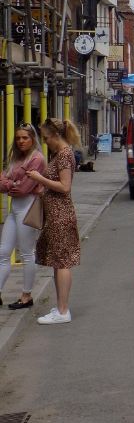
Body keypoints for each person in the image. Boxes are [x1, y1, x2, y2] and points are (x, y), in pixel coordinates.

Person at [26, 118, 81, 325]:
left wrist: (39, 179)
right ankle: (60, 307)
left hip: (61, 215)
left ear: (56, 136)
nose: (45, 142)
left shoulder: (65, 155)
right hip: (56, 214)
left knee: (62, 261)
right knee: (59, 261)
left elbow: (65, 187)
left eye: (47, 138)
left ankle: (63, 310)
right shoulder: (60, 154)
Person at [0, 123, 46, 310]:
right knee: (3, 253)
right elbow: (4, 181)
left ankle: (26, 296)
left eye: (25, 138)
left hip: (28, 208)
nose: (20, 141)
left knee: (27, 253)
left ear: (33, 139)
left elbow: (23, 189)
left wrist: (9, 183)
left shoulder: (37, 159)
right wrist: (12, 183)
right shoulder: (15, 158)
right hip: (14, 210)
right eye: (18, 138)